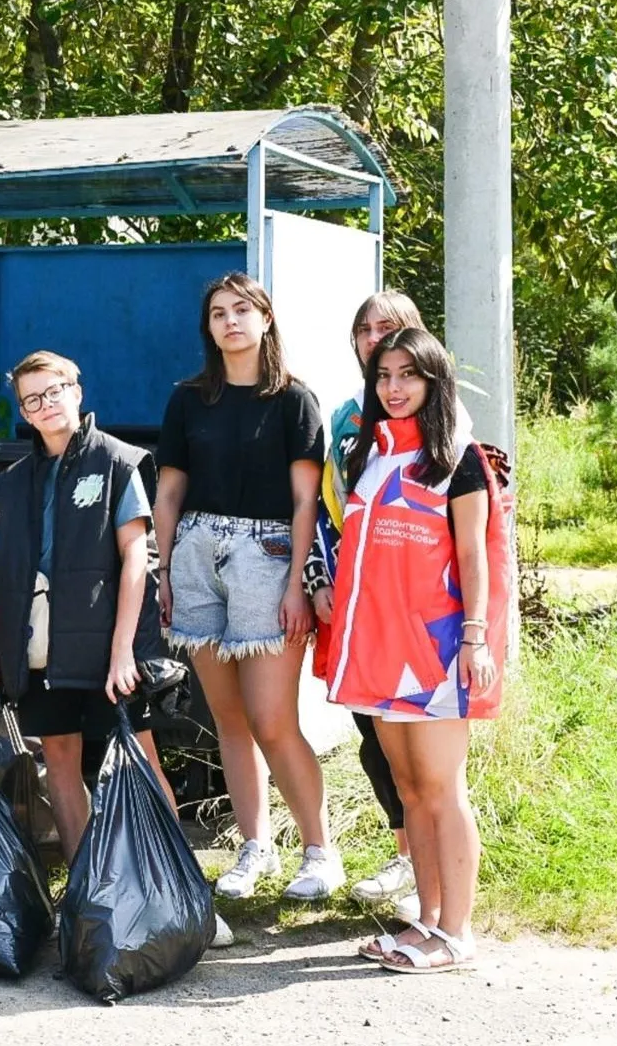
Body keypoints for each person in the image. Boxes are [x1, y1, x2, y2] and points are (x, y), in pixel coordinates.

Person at [0, 350, 236, 949]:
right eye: (31, 399)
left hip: (105, 651)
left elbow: (136, 558)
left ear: (77, 389)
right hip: (37, 653)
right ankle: (93, 899)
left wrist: (122, 653)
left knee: (143, 764)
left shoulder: (117, 462)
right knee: (60, 765)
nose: (44, 405)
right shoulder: (11, 481)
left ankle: (187, 897)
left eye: (54, 390)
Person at [327, 326, 511, 974]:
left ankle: (456, 932)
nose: (395, 387)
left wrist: (474, 637)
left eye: (408, 374)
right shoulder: (369, 456)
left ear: (434, 382)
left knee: (441, 789)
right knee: (408, 792)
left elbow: (474, 557)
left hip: (433, 652)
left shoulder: (458, 460)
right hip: (378, 650)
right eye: (384, 375)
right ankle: (427, 922)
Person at [155, 272, 344, 902]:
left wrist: (297, 584)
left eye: (242, 309)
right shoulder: (188, 399)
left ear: (265, 319)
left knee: (271, 719)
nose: (230, 321)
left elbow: (305, 501)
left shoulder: (294, 400)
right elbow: (171, 491)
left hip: (268, 556)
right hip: (195, 554)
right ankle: (253, 846)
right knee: (229, 719)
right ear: (208, 328)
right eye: (218, 313)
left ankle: (319, 851)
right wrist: (165, 569)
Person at [304, 290, 448, 919]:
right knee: (371, 734)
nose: (373, 338)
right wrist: (317, 577)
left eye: (387, 329)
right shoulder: (344, 418)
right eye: (364, 329)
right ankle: (405, 855)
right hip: (351, 598)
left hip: (417, 610)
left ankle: (438, 879)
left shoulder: (443, 421)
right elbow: (320, 506)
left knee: (425, 749)